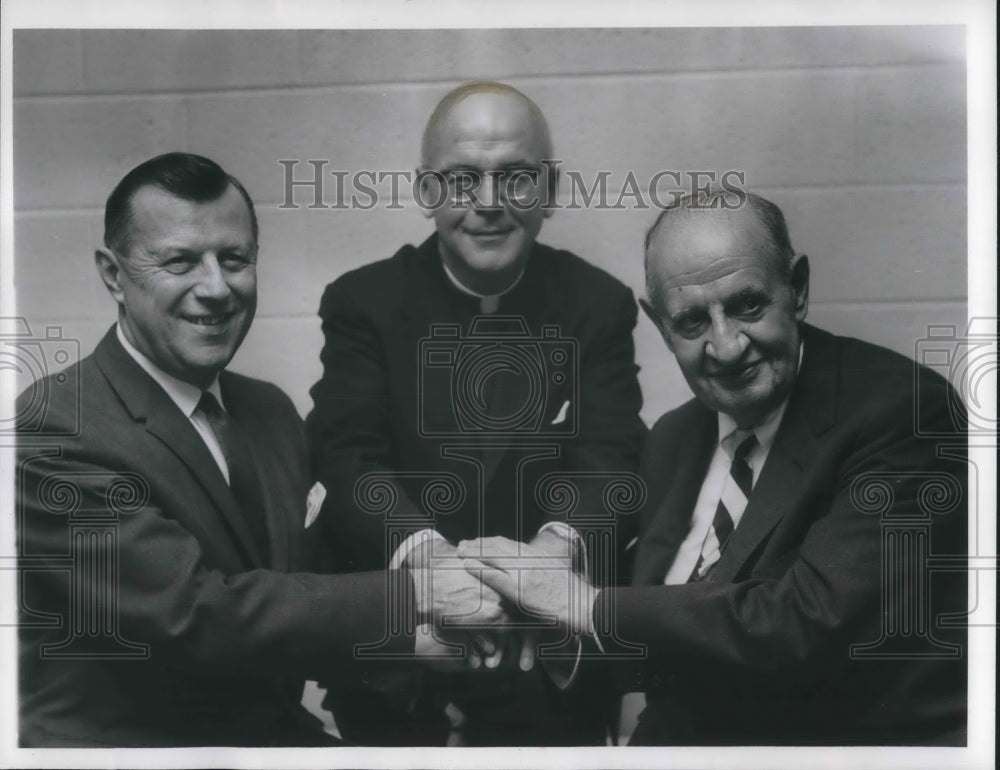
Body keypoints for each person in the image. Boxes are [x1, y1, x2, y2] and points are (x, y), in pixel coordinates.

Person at [15, 152, 502, 747]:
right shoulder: (53, 431)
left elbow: (308, 586)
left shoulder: (268, 411)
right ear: (113, 275)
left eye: (235, 259)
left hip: (265, 738)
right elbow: (197, 614)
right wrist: (417, 597)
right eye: (180, 261)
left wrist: (417, 640)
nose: (217, 288)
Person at [459, 191, 968, 745]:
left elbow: (805, 624)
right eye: (693, 322)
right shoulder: (674, 438)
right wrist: (543, 622)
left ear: (796, 289)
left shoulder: (906, 412)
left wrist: (581, 604)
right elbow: (656, 625)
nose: (725, 347)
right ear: (660, 327)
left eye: (748, 305)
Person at [306, 81, 646, 745]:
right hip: (406, 671)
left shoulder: (598, 304)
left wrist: (552, 556)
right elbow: (346, 456)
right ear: (427, 193)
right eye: (462, 180)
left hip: (546, 671)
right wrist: (430, 561)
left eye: (516, 179)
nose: (488, 205)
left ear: (549, 189)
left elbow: (613, 456)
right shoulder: (362, 304)